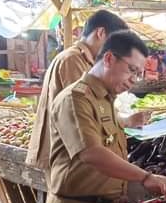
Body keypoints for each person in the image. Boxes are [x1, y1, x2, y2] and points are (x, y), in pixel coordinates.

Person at [43, 30, 166, 203]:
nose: (134, 79)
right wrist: (145, 177)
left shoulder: (106, 99)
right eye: (132, 70)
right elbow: (92, 153)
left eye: (138, 74)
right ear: (109, 58)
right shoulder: (75, 98)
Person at [27, 10, 132, 170]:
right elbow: (85, 109)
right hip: (66, 156)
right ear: (101, 33)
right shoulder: (73, 60)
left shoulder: (85, 61)